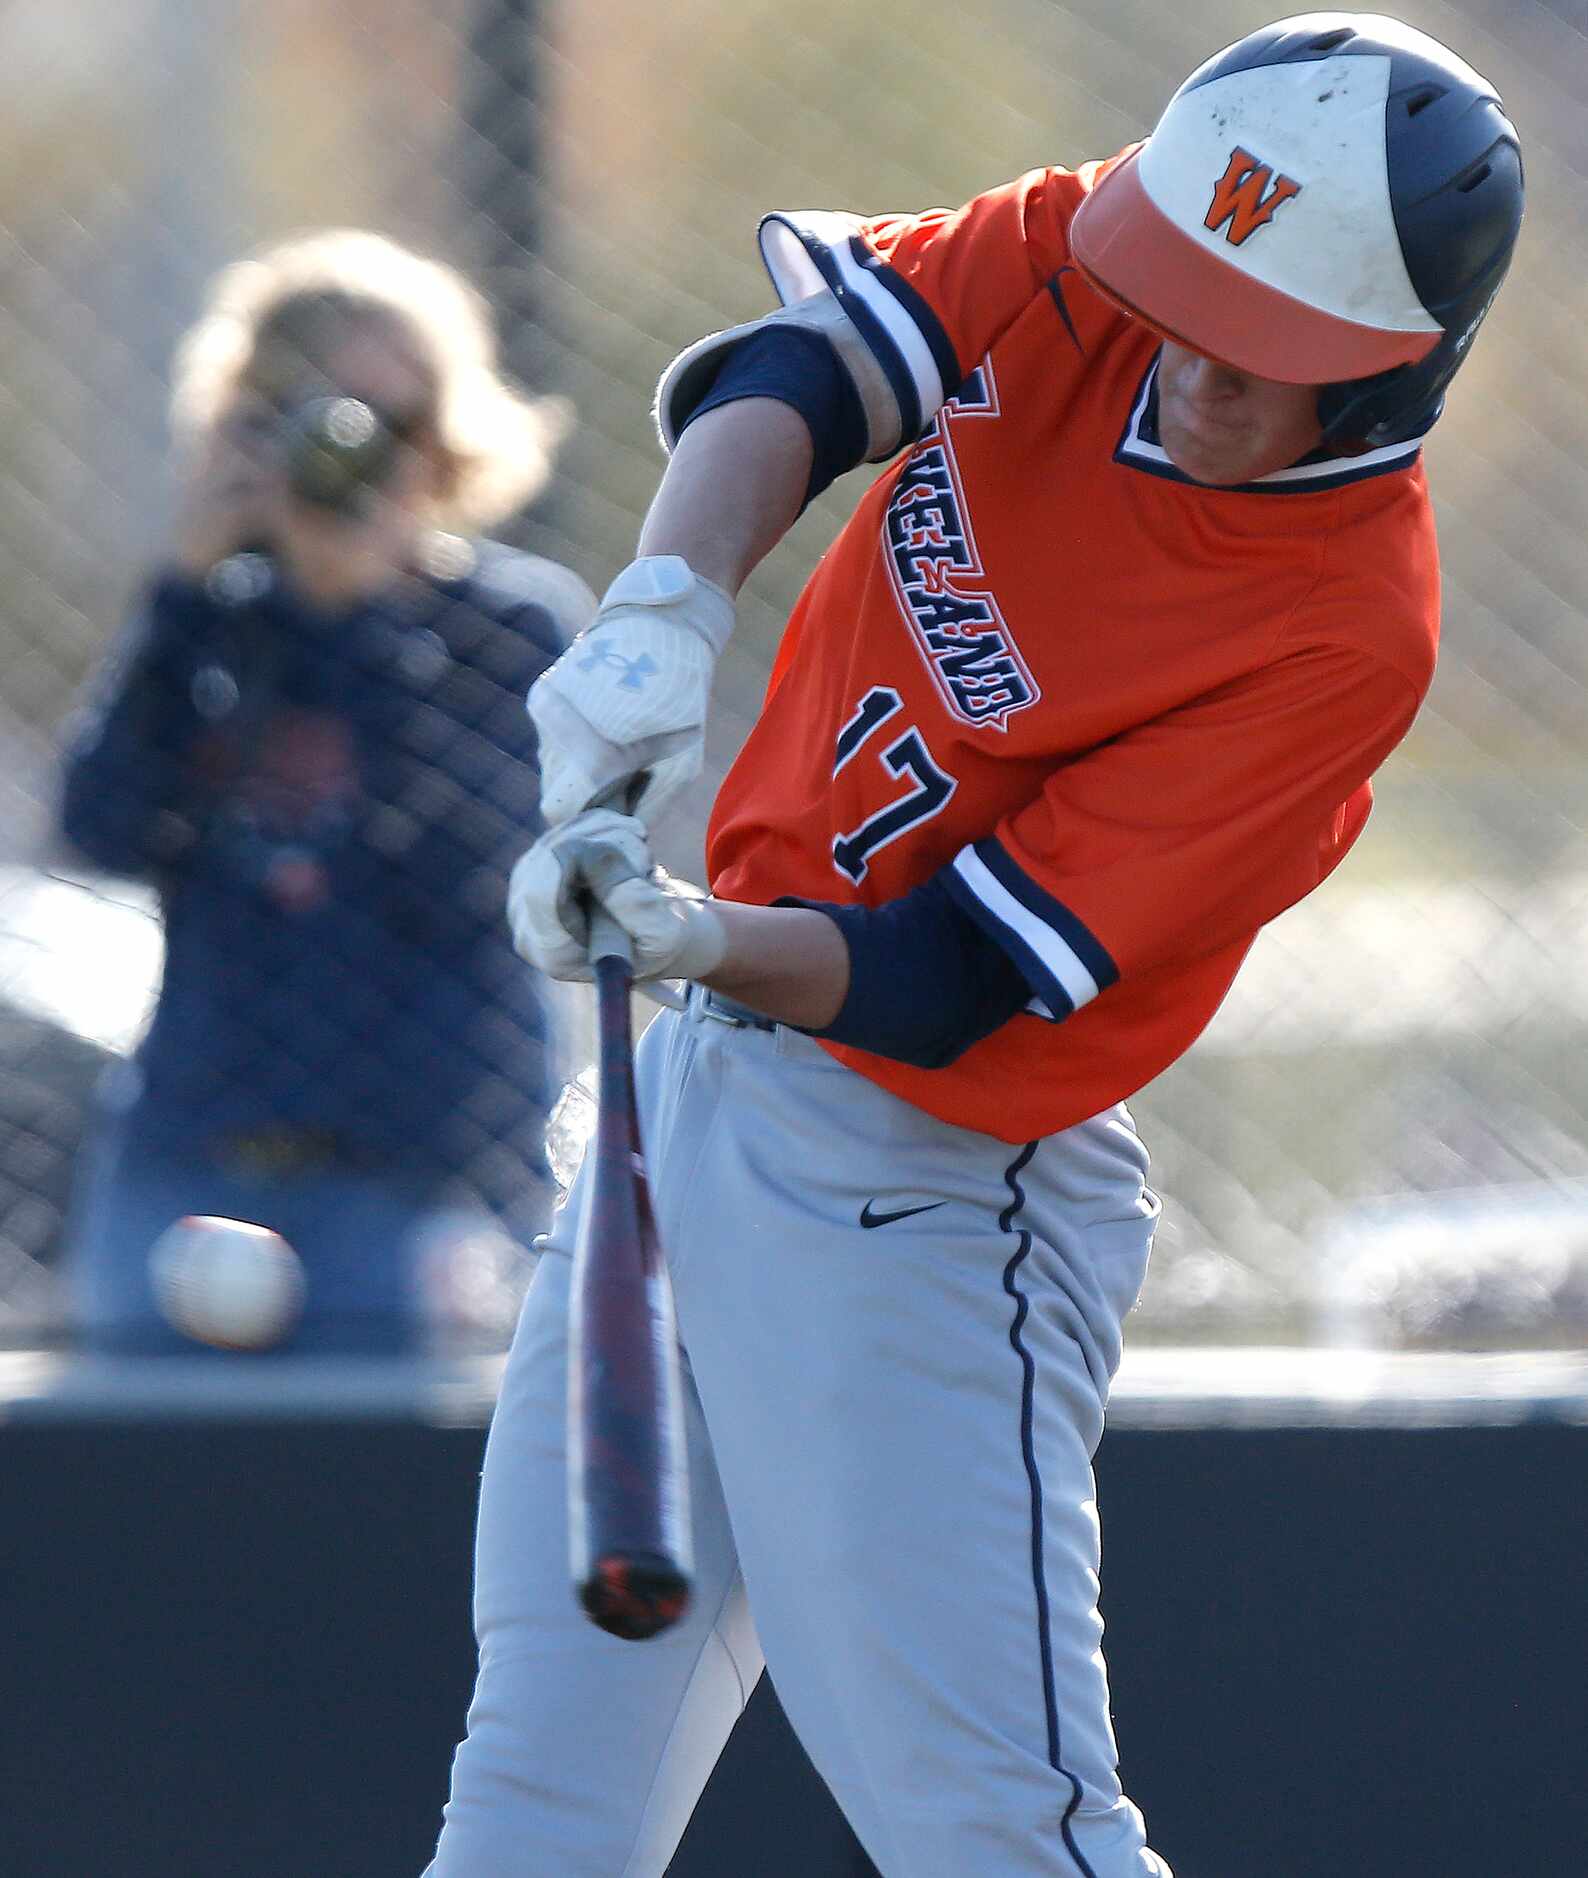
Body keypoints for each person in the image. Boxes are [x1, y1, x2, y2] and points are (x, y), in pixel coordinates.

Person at [428, 16, 1522, 1874]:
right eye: (1177, 297)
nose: (1182, 359)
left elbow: (948, 977)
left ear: (1381, 381)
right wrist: (662, 612)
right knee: (537, 1794)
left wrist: (690, 935)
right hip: (699, 1101)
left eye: (1255, 355)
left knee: (994, 1832)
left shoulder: (1342, 630)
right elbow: (803, 369)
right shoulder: (1135, 246)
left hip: (923, 1187)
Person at [57, 229, 595, 1357]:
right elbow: (99, 825)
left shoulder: (507, 625)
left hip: (425, 1170)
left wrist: (360, 616)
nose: (355, 458)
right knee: (130, 1491)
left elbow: (477, 865)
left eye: (387, 426)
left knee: (399, 1511)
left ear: (442, 436)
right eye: (317, 419)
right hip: (197, 1149)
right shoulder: (215, 623)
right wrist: (181, 596)